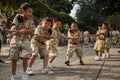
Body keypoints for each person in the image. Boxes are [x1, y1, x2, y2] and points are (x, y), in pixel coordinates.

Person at [8, 2, 35, 80]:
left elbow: (32, 31)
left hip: (25, 40)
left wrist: (25, 30)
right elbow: (13, 26)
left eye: (32, 12)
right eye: (29, 11)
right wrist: (12, 29)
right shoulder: (17, 17)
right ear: (23, 11)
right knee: (14, 58)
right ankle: (13, 75)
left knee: (25, 57)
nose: (31, 14)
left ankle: (24, 73)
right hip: (16, 39)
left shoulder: (31, 20)